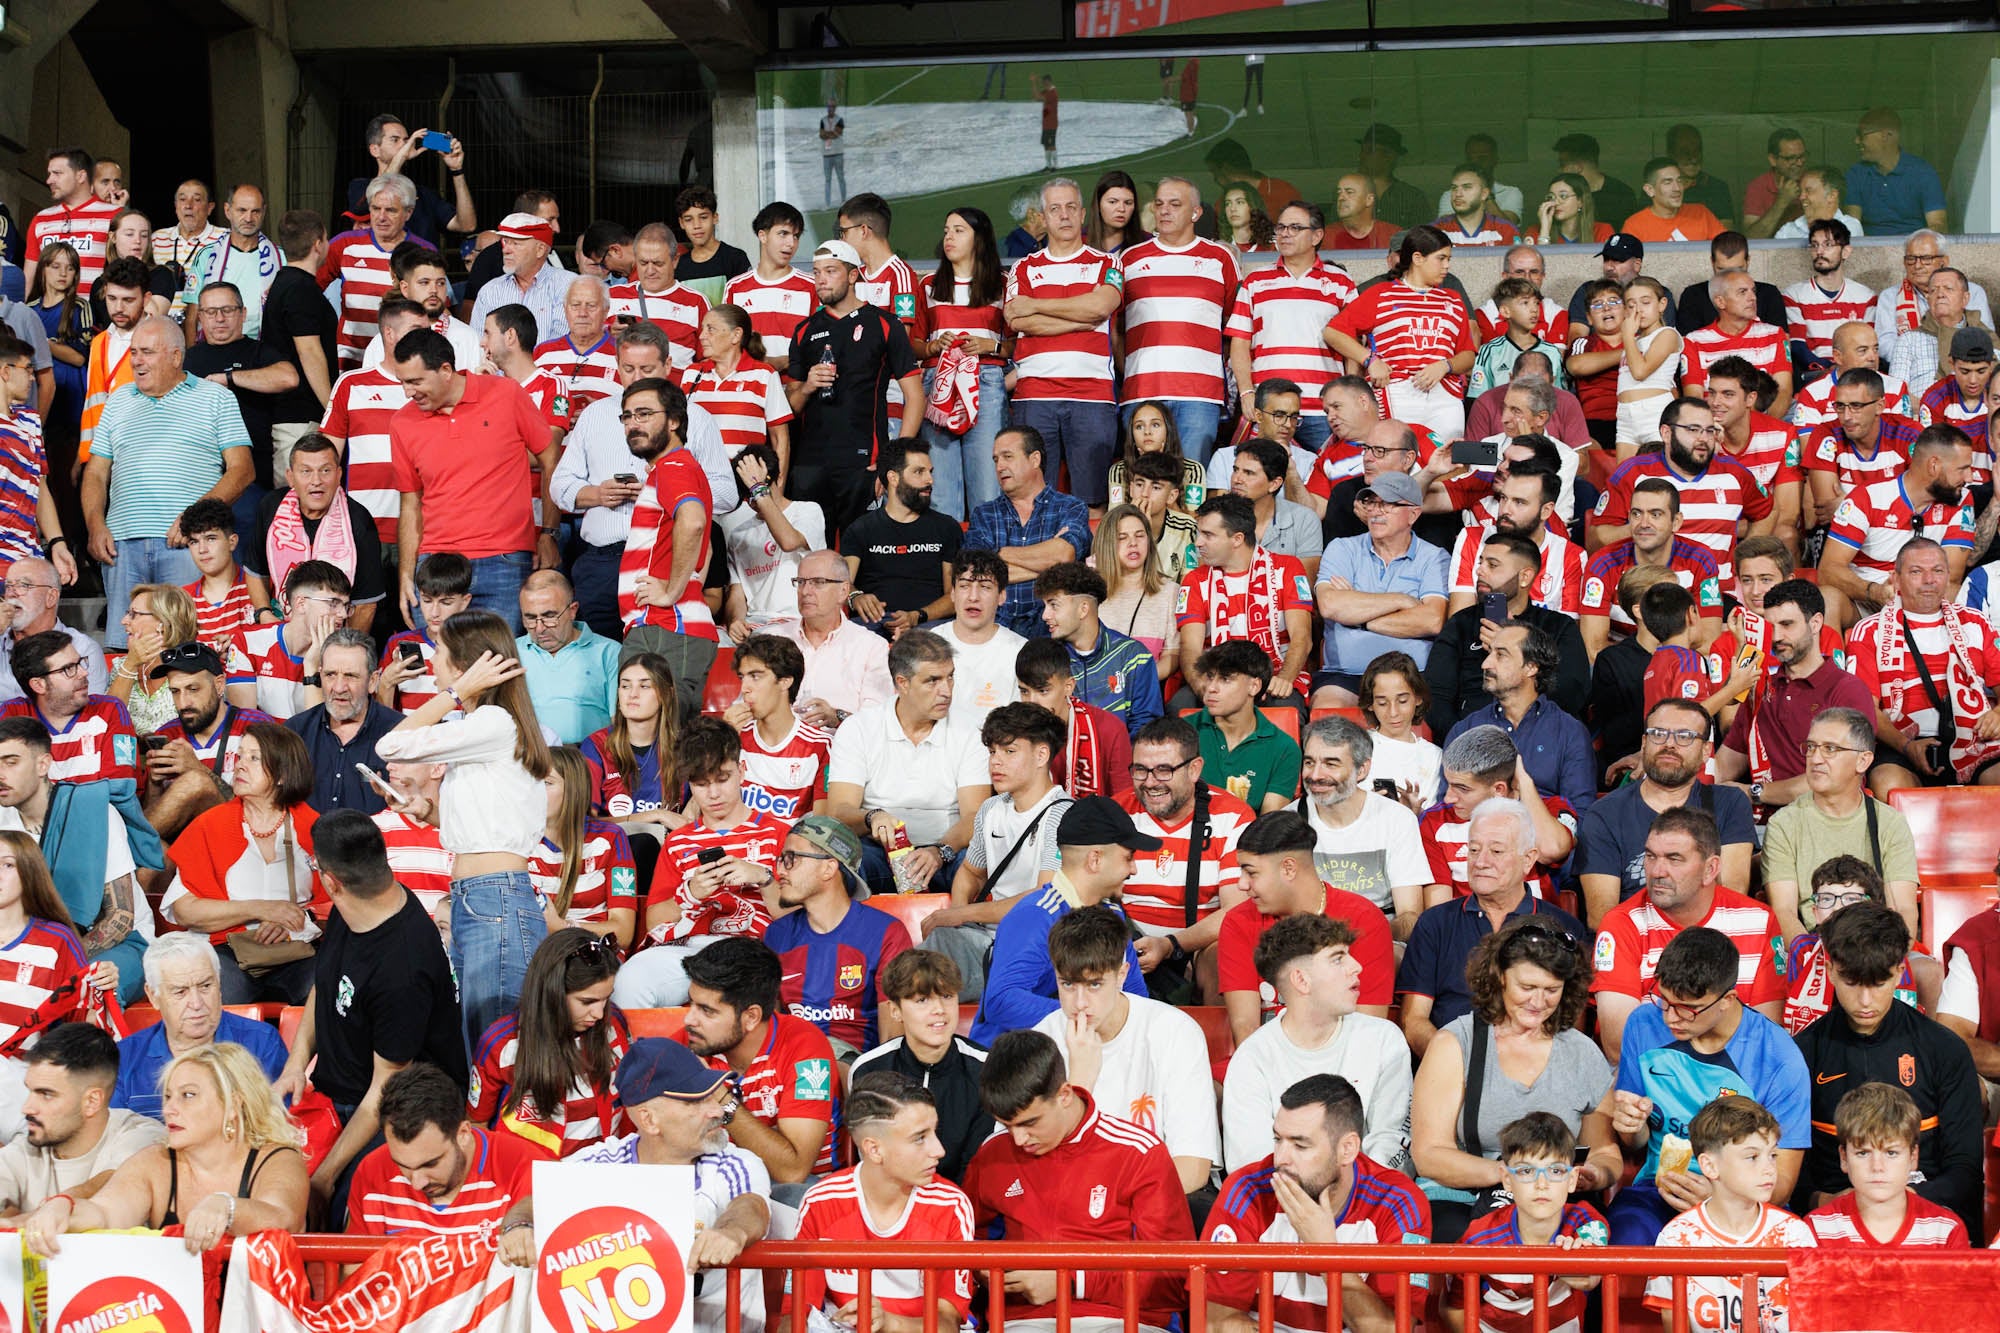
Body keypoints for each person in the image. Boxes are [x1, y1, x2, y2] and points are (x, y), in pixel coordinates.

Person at [268, 809, 463, 1223]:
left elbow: (384, 1089)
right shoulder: (352, 904)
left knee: (333, 1210)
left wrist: (325, 1176)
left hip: (393, 1111)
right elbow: (326, 982)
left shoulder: (404, 969)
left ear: (330, 881)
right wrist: (296, 1063)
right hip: (336, 1093)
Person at [374, 611, 552, 1054]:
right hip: (483, 894)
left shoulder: (491, 722)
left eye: (441, 652)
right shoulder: (492, 727)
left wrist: (456, 693)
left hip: (494, 895)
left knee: (496, 1046)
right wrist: (426, 811)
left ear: (467, 667)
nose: (432, 660)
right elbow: (494, 823)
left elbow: (389, 745)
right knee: (479, 1043)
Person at [504, 1035, 773, 1326]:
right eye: (695, 1103)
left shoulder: (734, 1163)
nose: (718, 1111)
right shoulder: (604, 1162)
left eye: (713, 1097)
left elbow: (751, 1206)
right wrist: (519, 1227)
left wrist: (731, 1232)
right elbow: (535, 1201)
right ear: (649, 1120)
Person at [964, 1030, 1193, 1332]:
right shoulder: (992, 1154)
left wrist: (1071, 1282)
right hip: (1021, 1322)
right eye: (1008, 1126)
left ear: (1064, 1096)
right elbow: (967, 1244)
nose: (1019, 1139)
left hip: (1125, 1320)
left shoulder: (1138, 1153)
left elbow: (1172, 1279)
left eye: (1030, 1123)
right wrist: (982, 1269)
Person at [1409, 915, 1619, 1242]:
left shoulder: (1582, 1052)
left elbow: (1604, 1150)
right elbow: (1430, 1154)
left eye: (1551, 990)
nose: (1538, 1002)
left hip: (1555, 1201)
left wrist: (1594, 1174)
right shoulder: (1455, 1043)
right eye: (1527, 987)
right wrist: (1517, 1177)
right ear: (1499, 978)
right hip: (1470, 1197)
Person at [1607, 927, 1810, 1247]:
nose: (1671, 1017)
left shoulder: (1778, 1055)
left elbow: (1782, 1179)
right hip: (1657, 1192)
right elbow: (1635, 1143)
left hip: (1744, 1202)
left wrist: (1722, 1197)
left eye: (1687, 1008)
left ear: (1727, 1000)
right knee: (1624, 1237)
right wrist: (1631, 1125)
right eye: (1664, 1000)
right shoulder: (1643, 1023)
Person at [1791, 901, 1982, 1233]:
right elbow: (1792, 1171)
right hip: (1831, 1227)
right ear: (1831, 968)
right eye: (1852, 983)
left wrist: (1892, 1203)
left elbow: (1964, 1170)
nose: (1865, 1001)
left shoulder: (1945, 1050)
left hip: (1930, 1225)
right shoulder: (1802, 1053)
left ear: (1899, 970)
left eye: (1877, 983)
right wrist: (1828, 1202)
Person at [18, 1041, 305, 1258]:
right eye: (168, 1096)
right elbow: (104, 1213)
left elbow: (282, 1218)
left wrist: (227, 1208)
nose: (169, 1109)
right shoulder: (155, 1161)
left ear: (234, 1105)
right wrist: (62, 1207)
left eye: (188, 1096)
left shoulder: (277, 1157)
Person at [1201, 1072, 1430, 1333]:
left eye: (1300, 1145)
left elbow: (1393, 1330)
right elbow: (1215, 1322)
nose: (1280, 1159)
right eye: (1278, 1139)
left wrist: (1324, 1253)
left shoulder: (1399, 1202)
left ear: (1347, 1149)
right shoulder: (1246, 1190)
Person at [82, 315, 254, 643]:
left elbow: (243, 470)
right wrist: (94, 524)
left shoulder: (215, 398)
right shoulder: (117, 400)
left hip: (187, 545)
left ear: (176, 356)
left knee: (186, 645)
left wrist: (193, 520)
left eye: (146, 352)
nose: (136, 361)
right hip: (121, 546)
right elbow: (96, 471)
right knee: (125, 647)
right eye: (133, 352)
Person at [1032, 905, 1219, 1194]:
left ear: (1122, 975)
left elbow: (1192, 1168)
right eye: (1067, 984)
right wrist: (1081, 1083)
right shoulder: (1042, 1039)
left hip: (1148, 1203)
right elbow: (1024, 1157)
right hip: (1065, 1202)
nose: (1079, 1002)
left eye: (1094, 985)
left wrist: (1110, 1209)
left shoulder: (1176, 1032)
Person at [388, 328, 559, 631]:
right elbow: (410, 503)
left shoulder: (506, 394)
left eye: (415, 381)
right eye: (402, 382)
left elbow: (551, 459)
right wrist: (406, 574)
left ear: (445, 371)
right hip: (434, 566)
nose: (407, 392)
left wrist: (549, 532)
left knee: (501, 667)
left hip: (505, 561)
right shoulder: (402, 422)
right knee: (437, 668)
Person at [1592, 807, 1785, 1064]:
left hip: (1737, 1084)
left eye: (1674, 859)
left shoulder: (1759, 921)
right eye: (1650, 856)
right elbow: (1619, 1044)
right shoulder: (1622, 923)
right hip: (1651, 1084)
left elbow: (1766, 1035)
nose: (1657, 871)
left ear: (1710, 868)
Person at [1222, 912, 1409, 1175]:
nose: (1357, 967)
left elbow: (1392, 1144)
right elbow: (1252, 1166)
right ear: (1301, 980)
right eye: (1338, 959)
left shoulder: (1385, 1040)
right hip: (1280, 1206)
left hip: (1368, 1202)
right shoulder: (1252, 1058)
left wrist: (1348, 1195)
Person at [788, 1072, 975, 1333]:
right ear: (874, 1149)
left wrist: (889, 1323)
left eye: (935, 1132)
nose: (939, 1150)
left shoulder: (951, 1205)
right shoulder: (821, 1201)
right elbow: (796, 1313)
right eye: (920, 1137)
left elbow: (948, 1322)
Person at [1399, 796, 1587, 1053]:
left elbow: (1571, 1028)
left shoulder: (1562, 930)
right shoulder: (1435, 923)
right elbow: (1414, 1020)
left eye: (1496, 851)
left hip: (1534, 1072)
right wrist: (1455, 1065)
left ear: (1528, 859)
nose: (1481, 861)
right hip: (1452, 1069)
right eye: (1474, 850)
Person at [614, 718, 779, 1009]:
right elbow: (654, 920)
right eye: (701, 785)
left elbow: (796, 917)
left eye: (723, 779)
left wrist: (762, 877)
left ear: (742, 771)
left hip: (754, 951)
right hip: (688, 949)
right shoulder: (678, 842)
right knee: (629, 980)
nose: (713, 794)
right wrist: (690, 893)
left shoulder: (778, 834)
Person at [158, 722, 325, 1005]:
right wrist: (261, 909)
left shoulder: (313, 827)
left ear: (283, 774)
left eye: (254, 758)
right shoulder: (210, 825)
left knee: (325, 988)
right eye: (239, 756)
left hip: (297, 949)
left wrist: (294, 924)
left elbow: (337, 905)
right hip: (226, 949)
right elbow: (184, 910)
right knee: (222, 990)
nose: (239, 766)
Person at [968, 796, 1152, 1045]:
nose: (1134, 870)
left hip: (1076, 1055)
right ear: (1095, 859)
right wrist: (1088, 1017)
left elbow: (1137, 1002)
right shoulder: (1035, 915)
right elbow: (1001, 1001)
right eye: (1128, 857)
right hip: (1013, 1067)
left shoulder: (1113, 915)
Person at [920, 703, 1072, 1001]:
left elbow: (1044, 899)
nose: (995, 762)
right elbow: (970, 872)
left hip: (1036, 946)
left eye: (1009, 752)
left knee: (921, 981)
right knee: (916, 968)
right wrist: (959, 919)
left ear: (1042, 755)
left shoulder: (1062, 814)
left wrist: (962, 914)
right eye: (992, 752)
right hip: (987, 938)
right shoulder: (991, 808)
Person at [825, 630, 988, 896]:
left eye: (950, 677)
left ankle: (970, 933)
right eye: (932, 681)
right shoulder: (859, 728)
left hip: (948, 850)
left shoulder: (970, 731)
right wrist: (871, 816)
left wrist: (939, 851)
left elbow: (975, 816)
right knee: (842, 861)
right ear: (902, 683)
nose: (946, 691)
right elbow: (839, 812)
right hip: (878, 852)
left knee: (977, 862)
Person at [1217, 810, 1395, 1043]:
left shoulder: (1364, 920)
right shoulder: (1238, 922)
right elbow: (1246, 1030)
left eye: (1251, 872)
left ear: (1289, 868)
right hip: (1265, 1064)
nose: (1241, 884)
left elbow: (1367, 1032)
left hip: (1340, 1070)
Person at [1575, 699, 1756, 926]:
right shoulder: (1605, 814)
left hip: (1709, 942)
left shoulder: (1729, 803)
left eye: (1685, 736)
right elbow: (1602, 916)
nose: (1669, 744)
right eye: (1658, 733)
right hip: (1635, 945)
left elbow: (1733, 894)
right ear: (1644, 743)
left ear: (1705, 751)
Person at [1640, 1096, 1817, 1328]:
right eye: (1752, 1157)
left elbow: (1812, 1320)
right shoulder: (1676, 1238)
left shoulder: (1795, 1234)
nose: (1769, 1168)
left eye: (1772, 1155)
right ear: (1709, 1166)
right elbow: (1674, 1325)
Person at [785, 240, 922, 537]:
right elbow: (791, 406)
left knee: (860, 552)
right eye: (817, 272)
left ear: (852, 275)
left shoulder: (885, 325)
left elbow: (915, 397)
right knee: (808, 554)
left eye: (830, 271)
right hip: (810, 464)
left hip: (863, 461)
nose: (821, 279)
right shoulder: (804, 331)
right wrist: (808, 386)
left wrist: (893, 461)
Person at [680, 937, 839, 1184]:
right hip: (712, 1183)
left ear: (751, 1017)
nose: (689, 1020)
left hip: (794, 1193)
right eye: (690, 1004)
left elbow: (793, 1171)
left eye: (707, 1010)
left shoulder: (806, 1048)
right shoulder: (688, 1043)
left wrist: (717, 1094)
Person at [1847, 536, 2000, 795]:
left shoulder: (1975, 622)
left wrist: (1998, 715)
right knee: (1888, 784)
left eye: (1937, 571)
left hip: (1975, 739)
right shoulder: (1870, 631)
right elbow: (1865, 709)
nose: (1929, 580)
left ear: (1949, 576)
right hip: (1902, 743)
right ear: (1895, 579)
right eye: (1917, 571)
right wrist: (1908, 747)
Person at [467, 927, 629, 1160]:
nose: (599, 1013)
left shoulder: (615, 1025)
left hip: (605, 1169)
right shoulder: (502, 1042)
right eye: (587, 1001)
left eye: (606, 998)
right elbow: (477, 1124)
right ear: (552, 993)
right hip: (527, 1178)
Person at [1714, 579, 1876, 812]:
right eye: (1771, 627)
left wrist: (1755, 792)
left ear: (1816, 623)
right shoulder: (1761, 690)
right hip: (1762, 826)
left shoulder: (1848, 690)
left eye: (1787, 624)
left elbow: (1836, 778)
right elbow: (1724, 765)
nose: (1777, 636)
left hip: (1827, 823)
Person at [1444, 1114, 1610, 1329]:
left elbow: (1591, 1273)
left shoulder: (1585, 1220)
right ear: (1507, 1180)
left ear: (1572, 1179)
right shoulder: (1479, 1236)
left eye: (1556, 1171)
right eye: (1526, 1171)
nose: (1542, 1183)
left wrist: (1584, 1267)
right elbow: (1455, 1307)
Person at [1117, 178, 1240, 464]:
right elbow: (1116, 329)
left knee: (1192, 484)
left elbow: (1234, 327)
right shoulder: (1130, 259)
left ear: (1195, 213)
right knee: (1143, 482)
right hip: (1142, 392)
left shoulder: (1219, 258)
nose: (1164, 211)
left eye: (1175, 204)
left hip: (1200, 395)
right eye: (1159, 204)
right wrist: (1131, 372)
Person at [345, 1061, 540, 1238]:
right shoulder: (371, 1174)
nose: (417, 1183)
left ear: (463, 1133)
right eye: (402, 1166)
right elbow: (354, 1273)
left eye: (430, 1164)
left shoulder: (525, 1169)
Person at [849, 953, 993, 1185]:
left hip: (961, 1202)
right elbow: (873, 1161)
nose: (939, 1009)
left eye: (947, 996)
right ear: (895, 1010)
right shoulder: (869, 1069)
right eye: (922, 1000)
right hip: (890, 1201)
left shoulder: (986, 1069)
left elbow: (976, 1168)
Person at [1427, 531, 1590, 735]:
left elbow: (1572, 694)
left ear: (1525, 577)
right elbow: (1436, 697)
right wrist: (1463, 740)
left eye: (1492, 565)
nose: (1479, 571)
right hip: (1471, 741)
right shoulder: (1462, 623)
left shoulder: (1558, 626)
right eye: (1480, 562)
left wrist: (1515, 652)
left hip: (1539, 739)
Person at [111, 933, 287, 1120]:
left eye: (205, 986)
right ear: (153, 996)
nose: (196, 1003)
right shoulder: (125, 1057)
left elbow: (278, 1128)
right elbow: (117, 1139)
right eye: (180, 991)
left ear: (219, 985)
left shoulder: (262, 1042)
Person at [1323, 225, 1475, 439]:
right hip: (1397, 392)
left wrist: (1444, 366)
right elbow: (1333, 332)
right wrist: (1370, 360)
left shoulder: (1453, 299)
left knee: (1447, 459)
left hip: (1444, 395)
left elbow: (1468, 355)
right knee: (1400, 458)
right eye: (1441, 258)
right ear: (1418, 258)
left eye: (1448, 259)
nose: (1447, 266)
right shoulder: (1381, 294)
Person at [1226, 203, 1352, 452]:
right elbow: (1239, 343)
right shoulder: (1255, 281)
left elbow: (1352, 347)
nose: (1284, 234)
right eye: (1281, 227)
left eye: (1295, 228)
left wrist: (1346, 399)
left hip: (1323, 406)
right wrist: (1246, 393)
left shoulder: (1340, 282)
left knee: (1325, 479)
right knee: (1264, 477)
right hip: (1270, 405)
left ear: (1317, 236)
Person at [0, 1023, 164, 1213]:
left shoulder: (143, 1135)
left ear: (92, 1101)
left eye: (46, 1094)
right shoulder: (26, 1147)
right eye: (30, 1091)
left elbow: (117, 1181)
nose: (27, 1108)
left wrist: (53, 1209)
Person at [1290, 715, 1429, 929]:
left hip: (1379, 936)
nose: (1315, 775)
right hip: (1308, 938)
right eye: (1309, 762)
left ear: (1362, 770)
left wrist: (1364, 940)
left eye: (1331, 763)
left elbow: (1409, 917)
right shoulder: (1288, 821)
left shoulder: (1397, 820)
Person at [1442, 623, 1595, 815]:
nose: (1485, 664)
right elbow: (1448, 805)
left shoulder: (1569, 733)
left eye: (1500, 655)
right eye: (1490, 654)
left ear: (1531, 667)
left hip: (1544, 839)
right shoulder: (1465, 730)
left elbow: (1578, 814)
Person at [1783, 855, 1940, 1036]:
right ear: (1815, 912)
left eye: (1850, 899)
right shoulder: (1804, 948)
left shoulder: (1887, 947)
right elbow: (1791, 1011)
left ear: (1873, 908)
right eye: (1826, 899)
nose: (1837, 908)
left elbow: (1901, 1010)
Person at [961, 425, 1091, 641]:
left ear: (1035, 459)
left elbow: (1063, 555)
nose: (1000, 466)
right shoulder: (985, 514)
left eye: (1008, 457)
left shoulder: (1069, 507)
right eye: (996, 460)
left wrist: (999, 554)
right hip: (995, 628)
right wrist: (1051, 569)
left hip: (1050, 627)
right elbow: (977, 575)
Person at [1806, 1082, 1971, 1249]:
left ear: (1913, 1157)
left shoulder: (1945, 1231)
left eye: (1891, 1153)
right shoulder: (1817, 1229)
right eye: (1863, 1153)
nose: (1877, 1167)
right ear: (1844, 1158)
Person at [841, 439, 960, 634]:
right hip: (872, 627)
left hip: (929, 626)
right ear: (893, 478)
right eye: (919, 472)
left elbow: (955, 595)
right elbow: (841, 582)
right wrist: (856, 596)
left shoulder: (946, 528)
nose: (929, 480)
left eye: (930, 472)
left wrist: (917, 616)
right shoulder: (860, 529)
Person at [1037, 561, 1162, 739]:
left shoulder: (1134, 657)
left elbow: (1146, 729)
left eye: (1053, 605)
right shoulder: (1047, 660)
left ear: (1083, 609)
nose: (1045, 615)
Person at [528, 747, 637, 947]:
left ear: (573, 788)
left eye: (546, 783)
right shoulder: (515, 839)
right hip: (536, 955)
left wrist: (563, 928)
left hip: (594, 955)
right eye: (530, 781)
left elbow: (623, 932)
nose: (534, 791)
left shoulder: (610, 838)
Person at [223, 557, 352, 720]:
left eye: (346, 606)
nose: (343, 614)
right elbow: (244, 725)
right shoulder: (248, 643)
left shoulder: (343, 658)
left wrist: (313, 666)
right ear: (301, 604)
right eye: (333, 603)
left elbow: (321, 734)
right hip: (262, 743)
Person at [1191, 641, 1301, 813]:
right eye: (1210, 677)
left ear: (1254, 686)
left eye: (1225, 679)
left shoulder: (1284, 748)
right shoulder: (1182, 731)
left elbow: (1268, 825)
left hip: (1247, 838)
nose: (1211, 688)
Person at [514, 570, 619, 746]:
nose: (540, 629)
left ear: (572, 611)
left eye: (549, 617)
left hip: (591, 757)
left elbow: (621, 723)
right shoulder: (511, 652)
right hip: (530, 757)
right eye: (530, 618)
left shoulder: (608, 652)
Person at [931, 552, 1023, 730]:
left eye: (985, 587)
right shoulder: (929, 644)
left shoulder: (1020, 651)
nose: (973, 597)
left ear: (1002, 596)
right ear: (952, 593)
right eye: (964, 586)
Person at [0, 556, 104, 706]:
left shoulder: (83, 649)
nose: (11, 593)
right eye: (8, 586)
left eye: (24, 585)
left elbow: (90, 715)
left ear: (51, 597)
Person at [726, 202, 814, 371]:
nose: (791, 243)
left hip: (797, 390)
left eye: (796, 236)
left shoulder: (810, 286)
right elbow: (727, 344)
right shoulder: (735, 288)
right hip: (749, 389)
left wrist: (787, 362)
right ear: (763, 236)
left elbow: (818, 343)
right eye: (783, 234)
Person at [22, 149, 120, 297]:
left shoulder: (115, 215)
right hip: (47, 316)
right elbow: (27, 280)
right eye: (49, 174)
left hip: (93, 315)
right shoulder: (40, 219)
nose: (49, 180)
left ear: (80, 176)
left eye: (57, 174)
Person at [1094, 504, 1181, 671]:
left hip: (1146, 689)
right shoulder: (1091, 594)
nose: (1133, 543)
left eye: (1140, 536)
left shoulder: (1171, 592)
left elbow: (1172, 656)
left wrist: (1140, 680)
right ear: (1107, 544)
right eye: (1122, 537)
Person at [1847, 107, 1948, 234]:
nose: (1856, 141)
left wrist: (1915, 246)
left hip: (1914, 249)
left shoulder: (1923, 172)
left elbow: (1939, 225)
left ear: (1885, 135)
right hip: (1870, 250)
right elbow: (1852, 228)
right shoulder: (1856, 174)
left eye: (1861, 135)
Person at [1889, 277, 1986, 400]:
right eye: (1934, 290)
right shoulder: (1908, 339)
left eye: (1948, 289)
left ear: (1965, 298)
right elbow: (1896, 393)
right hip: (1922, 414)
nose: (1940, 294)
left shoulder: (1983, 337)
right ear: (1928, 299)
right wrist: (1929, 410)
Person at [1621, 157, 1724, 243]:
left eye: (1679, 181)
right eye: (1667, 182)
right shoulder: (1634, 226)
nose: (1677, 188)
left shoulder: (1701, 213)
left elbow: (1728, 250)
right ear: (1650, 190)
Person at [1328, 173, 1399, 253]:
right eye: (1339, 193)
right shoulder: (1325, 237)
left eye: (1349, 192)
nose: (1341, 198)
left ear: (1369, 200)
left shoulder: (1393, 235)